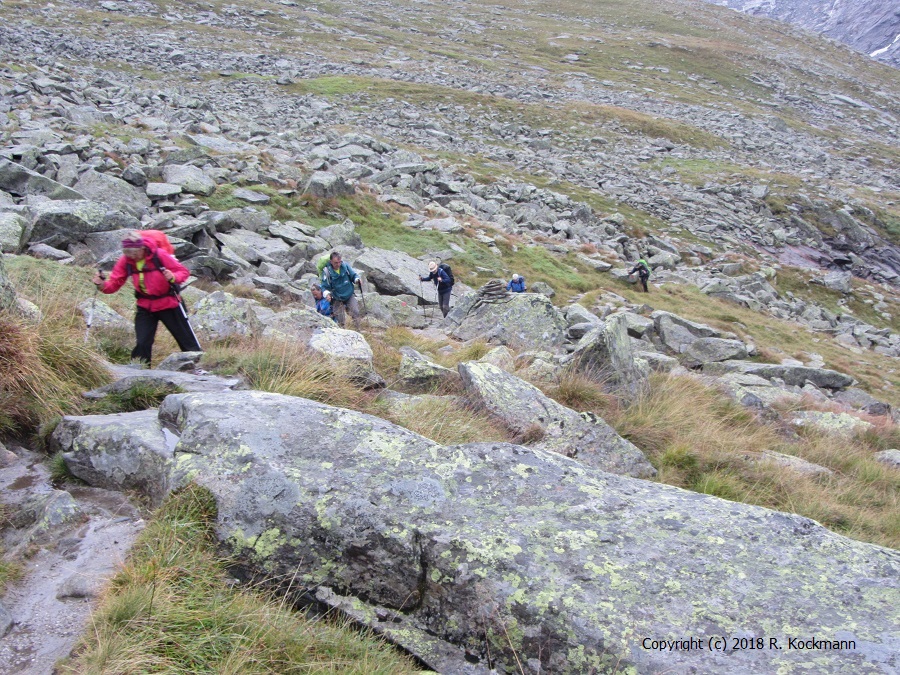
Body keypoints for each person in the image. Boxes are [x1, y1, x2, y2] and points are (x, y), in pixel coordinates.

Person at [92, 231, 201, 365]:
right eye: (128, 253)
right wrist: (102, 285)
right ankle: (140, 374)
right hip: (145, 306)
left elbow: (183, 272)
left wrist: (173, 277)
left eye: (135, 253)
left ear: (142, 247)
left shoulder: (159, 255)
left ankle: (198, 368)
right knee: (142, 343)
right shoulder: (127, 260)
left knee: (187, 342)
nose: (133, 257)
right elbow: (114, 284)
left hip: (169, 304)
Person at [320, 250, 361, 328]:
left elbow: (353, 275)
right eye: (336, 263)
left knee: (355, 312)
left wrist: (357, 280)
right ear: (331, 261)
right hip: (336, 298)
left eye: (340, 262)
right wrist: (327, 294)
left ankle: (358, 330)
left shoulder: (345, 266)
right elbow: (324, 286)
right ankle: (342, 333)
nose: (338, 264)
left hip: (349, 294)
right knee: (340, 319)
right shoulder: (326, 272)